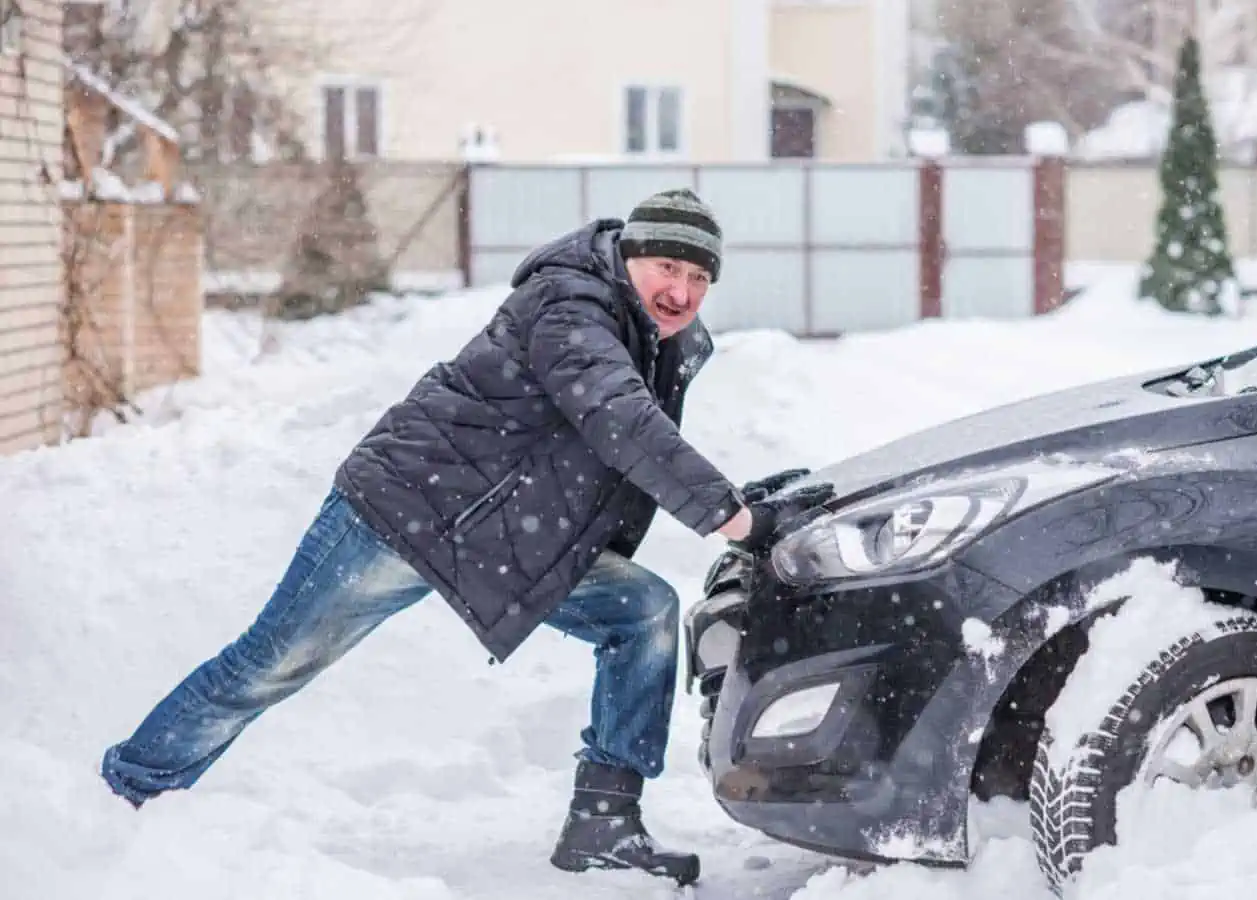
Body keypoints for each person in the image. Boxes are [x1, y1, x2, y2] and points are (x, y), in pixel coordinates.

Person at [98, 188, 834, 887]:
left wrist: (736, 499)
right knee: (269, 664)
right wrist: (732, 517)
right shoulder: (570, 303)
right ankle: (122, 798)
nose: (681, 288)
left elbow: (623, 450)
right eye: (667, 266)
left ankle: (604, 822)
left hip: (504, 535)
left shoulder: (657, 336)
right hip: (400, 513)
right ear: (627, 255)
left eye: (699, 276)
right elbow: (619, 421)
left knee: (641, 611)